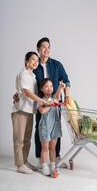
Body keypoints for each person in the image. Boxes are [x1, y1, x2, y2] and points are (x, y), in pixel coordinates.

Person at [11, 51, 52, 174]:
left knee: (27, 139)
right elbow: (26, 92)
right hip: (20, 111)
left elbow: (19, 92)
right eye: (33, 59)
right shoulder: (23, 74)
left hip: (29, 110)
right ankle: (19, 165)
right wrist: (41, 101)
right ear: (26, 61)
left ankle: (25, 161)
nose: (35, 62)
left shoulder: (32, 76)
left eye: (37, 60)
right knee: (19, 139)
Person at [33, 37, 71, 167]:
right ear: (38, 49)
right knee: (40, 128)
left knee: (55, 128)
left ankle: (56, 156)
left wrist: (67, 97)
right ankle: (41, 158)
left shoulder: (57, 65)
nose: (47, 49)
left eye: (49, 47)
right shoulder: (34, 65)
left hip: (55, 104)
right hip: (40, 102)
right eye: (44, 46)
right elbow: (26, 82)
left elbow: (66, 81)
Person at [38, 78, 65, 177]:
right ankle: (44, 166)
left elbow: (57, 95)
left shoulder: (54, 98)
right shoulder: (41, 100)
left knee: (53, 148)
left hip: (55, 126)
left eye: (51, 86)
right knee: (45, 147)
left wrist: (60, 87)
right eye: (46, 86)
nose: (49, 88)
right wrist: (51, 104)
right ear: (42, 89)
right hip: (45, 126)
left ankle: (53, 166)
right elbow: (42, 111)